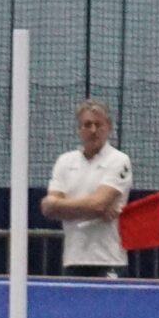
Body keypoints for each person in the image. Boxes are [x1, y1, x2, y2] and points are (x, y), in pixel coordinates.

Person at [41, 99, 131, 277]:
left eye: (98, 124)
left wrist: (61, 205)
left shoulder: (119, 160)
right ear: (79, 129)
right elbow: (48, 208)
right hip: (73, 260)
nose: (93, 130)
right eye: (88, 125)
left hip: (109, 261)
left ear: (109, 128)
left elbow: (98, 204)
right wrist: (93, 209)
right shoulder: (65, 161)